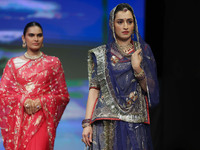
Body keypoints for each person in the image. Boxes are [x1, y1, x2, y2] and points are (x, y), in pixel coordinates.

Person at [82, 3, 159, 150]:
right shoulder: (100, 54)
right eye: (120, 22)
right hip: (104, 122)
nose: (125, 26)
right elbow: (94, 89)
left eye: (129, 22)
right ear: (112, 24)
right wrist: (87, 124)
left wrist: (137, 69)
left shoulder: (142, 51)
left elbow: (151, 89)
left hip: (134, 123)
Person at [0, 22, 70, 150]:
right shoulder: (13, 63)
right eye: (31, 35)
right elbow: (3, 94)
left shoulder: (53, 62)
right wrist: (23, 101)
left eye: (39, 35)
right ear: (23, 38)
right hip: (20, 120)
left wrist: (42, 101)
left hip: (42, 117)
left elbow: (63, 95)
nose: (36, 39)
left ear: (43, 38)